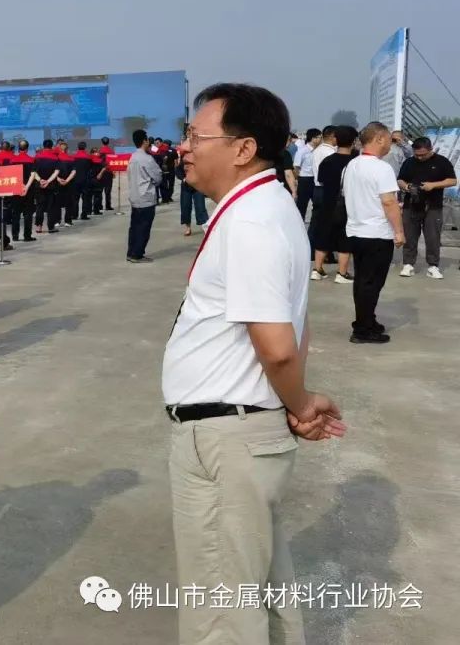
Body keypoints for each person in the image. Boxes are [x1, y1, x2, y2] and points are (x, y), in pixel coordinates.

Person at [164, 83, 346, 645]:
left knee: (222, 609)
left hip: (226, 435)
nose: (184, 148)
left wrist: (300, 403)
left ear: (243, 149)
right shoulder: (268, 207)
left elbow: (278, 345)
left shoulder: (250, 221)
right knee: (254, 585)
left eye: (196, 136)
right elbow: (296, 322)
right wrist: (293, 402)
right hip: (241, 429)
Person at [344, 122, 405, 343]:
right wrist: (399, 231)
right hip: (376, 233)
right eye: (389, 139)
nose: (390, 144)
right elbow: (389, 202)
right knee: (371, 283)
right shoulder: (382, 168)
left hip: (357, 231)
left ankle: (367, 320)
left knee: (363, 281)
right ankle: (362, 330)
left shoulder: (352, 165)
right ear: (379, 139)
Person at [397, 136, 457, 279]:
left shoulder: (442, 162)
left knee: (433, 237)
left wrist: (433, 185)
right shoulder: (409, 162)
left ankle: (433, 265)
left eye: (423, 154)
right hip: (411, 204)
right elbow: (400, 179)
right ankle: (408, 264)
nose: (419, 157)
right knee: (410, 236)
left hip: (433, 205)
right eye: (417, 154)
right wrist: (407, 187)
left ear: (430, 149)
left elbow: (452, 181)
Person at [311, 124, 358, 283]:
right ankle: (342, 273)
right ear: (354, 141)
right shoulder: (355, 161)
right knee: (345, 238)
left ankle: (317, 269)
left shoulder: (327, 161)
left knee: (323, 235)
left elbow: (321, 180)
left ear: (335, 139)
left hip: (327, 203)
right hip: (348, 205)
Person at [127, 129, 162, 262]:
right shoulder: (147, 159)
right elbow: (158, 177)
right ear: (144, 141)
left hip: (135, 197)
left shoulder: (133, 157)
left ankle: (131, 252)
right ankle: (137, 255)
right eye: (147, 140)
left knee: (134, 227)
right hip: (146, 198)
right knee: (143, 228)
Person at [175, 137, 208, 236]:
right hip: (186, 186)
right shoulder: (184, 158)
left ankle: (205, 227)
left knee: (200, 206)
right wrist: (183, 178)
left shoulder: (200, 158)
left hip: (198, 185)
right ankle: (188, 227)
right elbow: (178, 170)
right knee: (185, 206)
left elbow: (204, 170)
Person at [9, 140, 38, 242]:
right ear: (27, 148)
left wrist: (20, 185)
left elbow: (11, 175)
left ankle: (15, 236)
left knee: (15, 213)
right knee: (28, 213)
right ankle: (27, 236)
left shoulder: (12, 160)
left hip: (16, 188)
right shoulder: (32, 160)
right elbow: (33, 175)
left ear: (18, 148)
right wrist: (26, 187)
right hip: (28, 190)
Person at [32, 140, 61, 233]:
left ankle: (39, 227)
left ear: (43, 146)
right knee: (51, 207)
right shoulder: (55, 158)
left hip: (39, 185)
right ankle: (51, 227)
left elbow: (33, 172)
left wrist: (40, 180)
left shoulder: (37, 157)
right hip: (51, 185)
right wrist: (48, 181)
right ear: (52, 146)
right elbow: (56, 172)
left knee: (39, 206)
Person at [292, 128, 320, 218]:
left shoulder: (317, 150)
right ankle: (300, 223)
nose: (320, 139)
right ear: (313, 138)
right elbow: (296, 167)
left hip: (314, 179)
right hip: (304, 180)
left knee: (317, 204)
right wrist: (297, 179)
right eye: (319, 137)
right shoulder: (302, 151)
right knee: (302, 204)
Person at [71, 141, 94, 220]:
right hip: (85, 180)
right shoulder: (89, 157)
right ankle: (84, 215)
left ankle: (74, 215)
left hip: (75, 180)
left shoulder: (73, 157)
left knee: (75, 198)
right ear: (85, 147)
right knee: (85, 198)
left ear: (78, 147)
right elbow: (91, 168)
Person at [95, 137, 115, 212]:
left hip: (100, 172)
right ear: (108, 142)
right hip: (109, 172)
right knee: (108, 190)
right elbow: (112, 162)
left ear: (102, 142)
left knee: (100, 190)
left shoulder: (99, 151)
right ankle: (108, 206)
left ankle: (99, 206)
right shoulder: (111, 151)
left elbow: (97, 161)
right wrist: (113, 172)